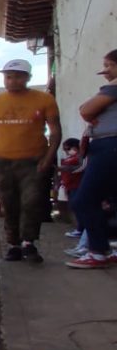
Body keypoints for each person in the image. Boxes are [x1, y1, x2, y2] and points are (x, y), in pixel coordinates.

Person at [0, 59, 61, 263]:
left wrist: (49, 157)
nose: (12, 81)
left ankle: (29, 243)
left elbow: (55, 132)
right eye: (8, 77)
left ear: (28, 78)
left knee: (32, 202)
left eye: (17, 76)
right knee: (9, 204)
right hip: (3, 161)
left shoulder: (44, 99)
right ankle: (13, 245)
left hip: (34, 160)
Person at [66, 49, 117, 269]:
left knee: (84, 200)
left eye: (109, 65)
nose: (104, 71)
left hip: (109, 144)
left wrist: (93, 112)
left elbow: (87, 110)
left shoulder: (114, 87)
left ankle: (97, 252)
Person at [58, 138, 84, 237]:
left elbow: (79, 168)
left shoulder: (80, 157)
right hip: (69, 186)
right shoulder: (70, 158)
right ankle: (80, 228)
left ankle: (81, 229)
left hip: (77, 185)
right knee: (74, 207)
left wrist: (64, 168)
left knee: (78, 207)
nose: (66, 151)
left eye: (67, 149)